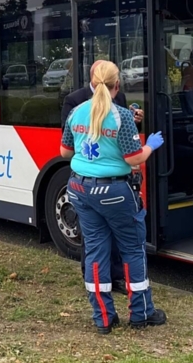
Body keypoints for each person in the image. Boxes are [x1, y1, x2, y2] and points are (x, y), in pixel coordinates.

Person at [61, 61, 167, 334]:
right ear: (116, 86)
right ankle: (141, 313)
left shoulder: (75, 112)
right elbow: (134, 157)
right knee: (132, 248)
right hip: (115, 192)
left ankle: (103, 318)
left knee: (95, 250)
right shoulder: (122, 116)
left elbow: (65, 153)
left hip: (80, 190)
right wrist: (151, 145)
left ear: (92, 84)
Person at [61, 59, 142, 293]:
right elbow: (69, 140)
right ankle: (96, 278)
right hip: (102, 181)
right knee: (98, 237)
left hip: (94, 183)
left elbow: (126, 137)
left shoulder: (120, 101)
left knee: (108, 236)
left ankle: (108, 287)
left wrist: (135, 119)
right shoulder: (74, 101)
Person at [61, 60, 144, 126]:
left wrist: (134, 121)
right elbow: (66, 133)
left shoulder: (120, 97)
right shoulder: (74, 100)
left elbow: (127, 133)